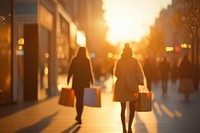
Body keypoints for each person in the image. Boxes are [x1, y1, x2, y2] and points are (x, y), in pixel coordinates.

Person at [113, 43, 144, 133]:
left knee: (122, 109)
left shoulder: (119, 61)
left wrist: (123, 75)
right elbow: (139, 73)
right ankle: (130, 127)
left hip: (121, 86)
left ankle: (124, 128)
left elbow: (116, 74)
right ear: (131, 52)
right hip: (132, 85)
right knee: (132, 107)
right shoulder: (134, 61)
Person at [67, 47, 94, 124]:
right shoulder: (86, 60)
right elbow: (89, 71)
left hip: (76, 83)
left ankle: (78, 115)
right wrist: (92, 81)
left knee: (78, 99)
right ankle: (79, 115)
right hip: (85, 83)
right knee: (81, 100)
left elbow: (71, 70)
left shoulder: (74, 60)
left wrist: (68, 79)